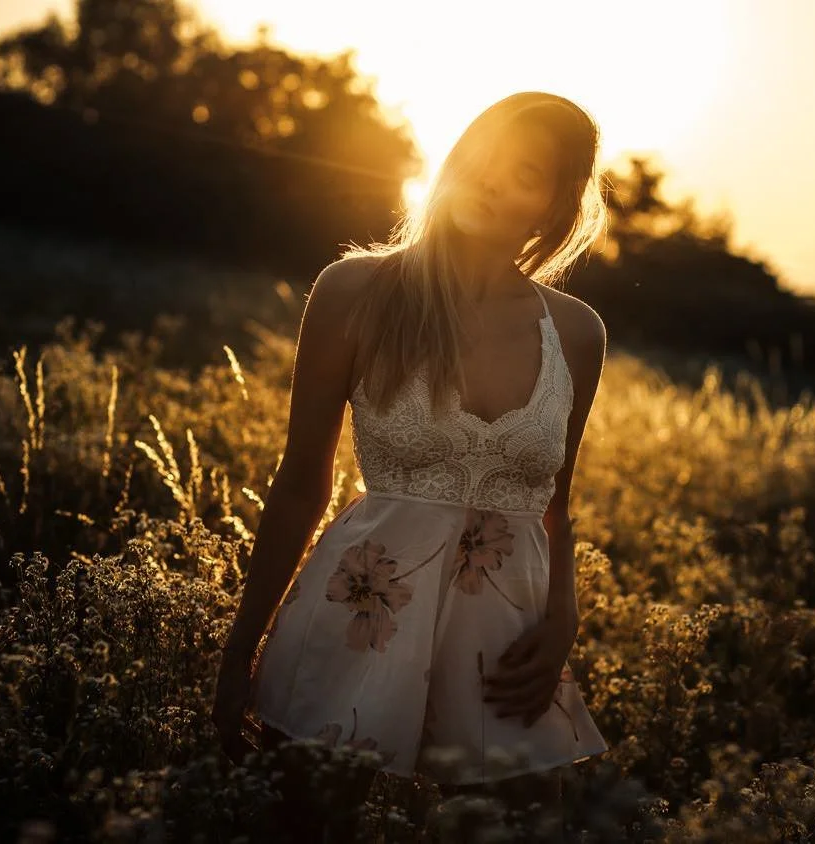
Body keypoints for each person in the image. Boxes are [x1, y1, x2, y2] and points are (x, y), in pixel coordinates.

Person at [211, 90, 612, 838]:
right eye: (483, 158)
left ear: (554, 205)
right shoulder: (359, 290)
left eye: (523, 172)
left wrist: (563, 619)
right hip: (360, 616)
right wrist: (241, 651)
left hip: (511, 639)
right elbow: (302, 484)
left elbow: (558, 503)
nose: (492, 182)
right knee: (309, 820)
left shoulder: (578, 333)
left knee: (516, 827)